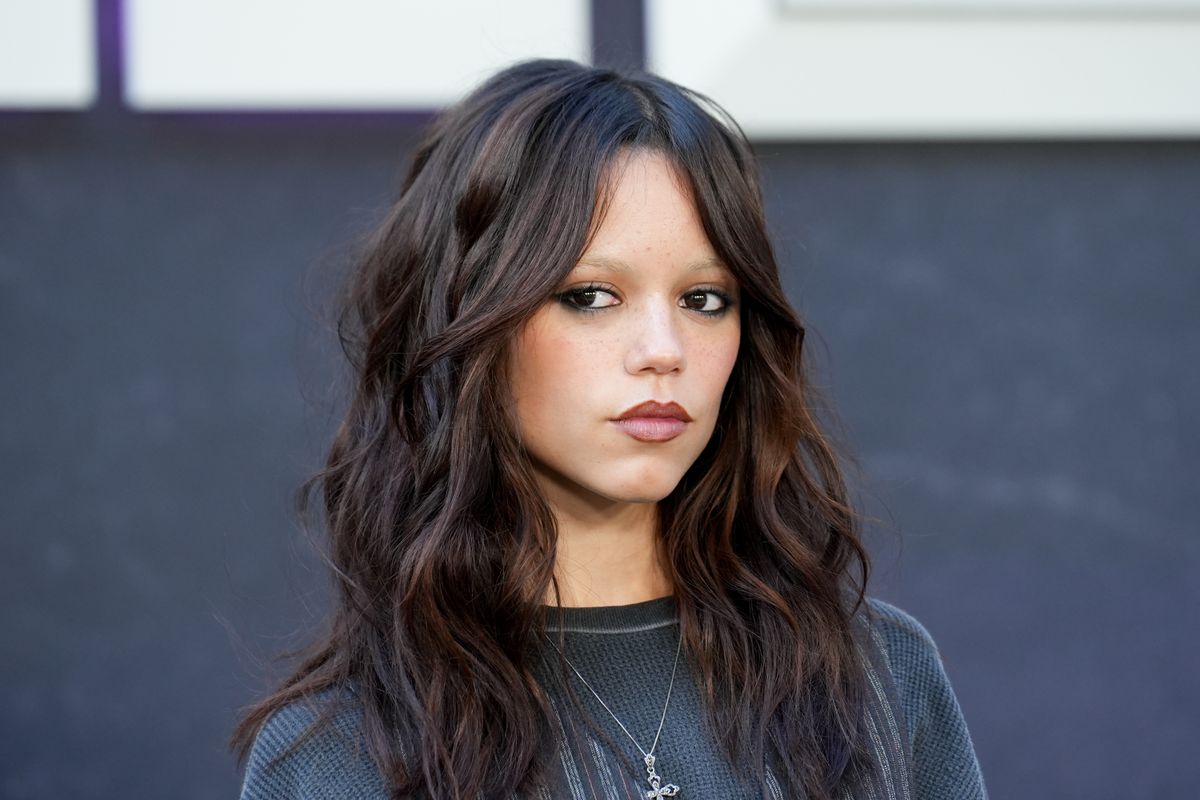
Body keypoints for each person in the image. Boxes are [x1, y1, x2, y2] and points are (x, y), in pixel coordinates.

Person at [230, 58, 988, 800]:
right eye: (591, 296)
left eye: (704, 299)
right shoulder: (342, 756)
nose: (663, 350)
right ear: (467, 315)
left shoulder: (879, 681)